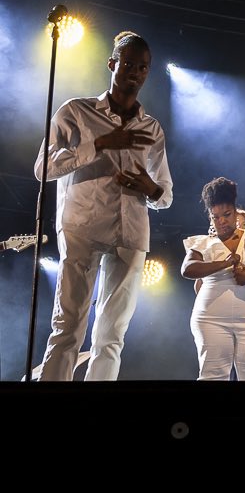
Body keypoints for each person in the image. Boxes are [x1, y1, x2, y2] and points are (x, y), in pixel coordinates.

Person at [35, 30, 174, 381]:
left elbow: (166, 194)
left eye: (142, 67)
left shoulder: (151, 128)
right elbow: (43, 168)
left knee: (112, 335)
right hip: (83, 227)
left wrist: (150, 188)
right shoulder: (76, 111)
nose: (135, 72)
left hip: (131, 232)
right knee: (68, 327)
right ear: (112, 64)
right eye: (128, 63)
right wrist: (99, 144)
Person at [181, 176, 245, 380]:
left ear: (236, 212)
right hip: (211, 319)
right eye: (215, 217)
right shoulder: (202, 243)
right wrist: (224, 264)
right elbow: (188, 270)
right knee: (212, 375)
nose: (222, 220)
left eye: (226, 214)